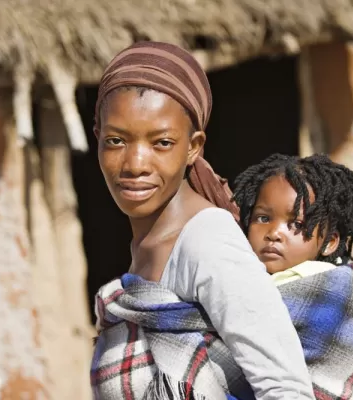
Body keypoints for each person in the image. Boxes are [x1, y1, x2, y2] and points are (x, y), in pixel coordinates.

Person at [90, 41, 315, 400]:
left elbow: (286, 388)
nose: (135, 164)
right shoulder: (147, 243)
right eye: (117, 140)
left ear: (194, 146)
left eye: (162, 143)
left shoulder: (206, 240)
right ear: (97, 137)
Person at [232, 153, 353, 399]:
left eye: (297, 224)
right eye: (263, 218)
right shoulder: (242, 276)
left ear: (329, 243)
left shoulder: (327, 290)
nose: (274, 233)